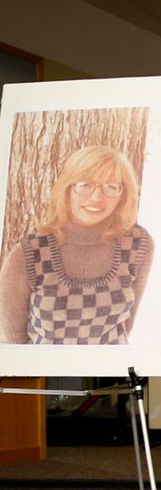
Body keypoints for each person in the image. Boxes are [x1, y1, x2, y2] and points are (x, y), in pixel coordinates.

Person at [0, 145, 153, 345]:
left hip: (108, 373)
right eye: (85, 184)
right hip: (46, 373)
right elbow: (11, 339)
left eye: (111, 187)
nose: (97, 197)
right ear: (67, 188)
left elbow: (127, 325)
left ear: (124, 193)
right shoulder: (29, 253)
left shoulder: (138, 244)